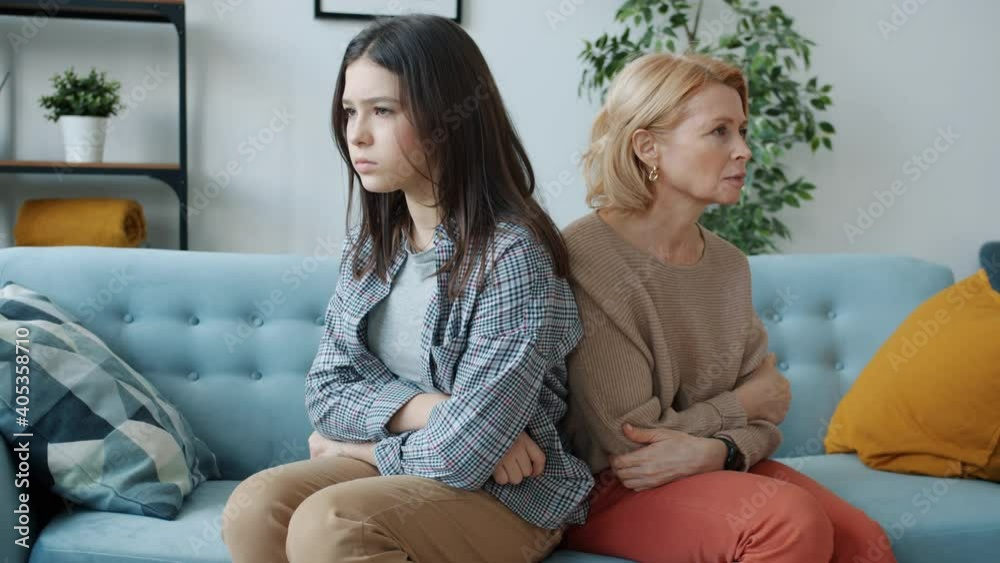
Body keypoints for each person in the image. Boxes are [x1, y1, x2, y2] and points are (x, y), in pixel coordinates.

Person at [221, 14, 593, 563]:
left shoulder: (514, 258)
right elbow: (325, 392)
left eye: (383, 111)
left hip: (512, 497)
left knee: (333, 524)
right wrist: (429, 408)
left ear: (449, 118)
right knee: (254, 505)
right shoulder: (372, 246)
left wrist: (354, 446)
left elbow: (463, 457)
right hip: (429, 461)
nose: (356, 134)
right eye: (350, 111)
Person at [559, 52, 897, 563]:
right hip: (609, 489)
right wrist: (739, 408)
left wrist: (720, 448)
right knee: (786, 523)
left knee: (865, 544)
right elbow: (630, 445)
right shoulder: (588, 256)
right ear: (648, 146)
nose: (744, 150)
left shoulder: (728, 265)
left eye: (741, 130)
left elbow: (772, 413)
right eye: (719, 132)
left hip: (709, 464)